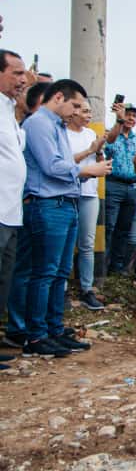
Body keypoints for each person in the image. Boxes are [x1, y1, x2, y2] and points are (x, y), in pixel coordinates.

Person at [22, 79, 112, 357]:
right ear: (58, 97)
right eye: (74, 105)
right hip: (48, 204)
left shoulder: (56, 126)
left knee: (60, 273)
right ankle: (36, 337)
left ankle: (54, 330)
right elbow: (52, 166)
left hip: (65, 203)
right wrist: (88, 171)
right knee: (45, 273)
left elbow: (64, 161)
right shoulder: (38, 124)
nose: (76, 112)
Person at [66, 99, 106, 310]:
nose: (88, 115)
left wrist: (98, 151)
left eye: (90, 111)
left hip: (89, 193)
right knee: (66, 244)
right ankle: (62, 290)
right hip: (68, 193)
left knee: (87, 244)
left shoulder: (91, 134)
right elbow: (64, 162)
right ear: (73, 112)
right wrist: (90, 150)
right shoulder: (63, 133)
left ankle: (86, 289)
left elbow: (99, 160)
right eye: (84, 111)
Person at [0, 49, 26, 369]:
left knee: (3, 280)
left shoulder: (9, 110)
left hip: (11, 212)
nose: (24, 79)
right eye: (16, 73)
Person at [103, 101, 136, 276]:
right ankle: (103, 266)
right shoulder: (112, 134)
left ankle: (117, 268)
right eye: (128, 114)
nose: (131, 118)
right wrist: (117, 122)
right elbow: (108, 145)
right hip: (113, 183)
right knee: (109, 226)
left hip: (132, 187)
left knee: (124, 229)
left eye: (134, 116)